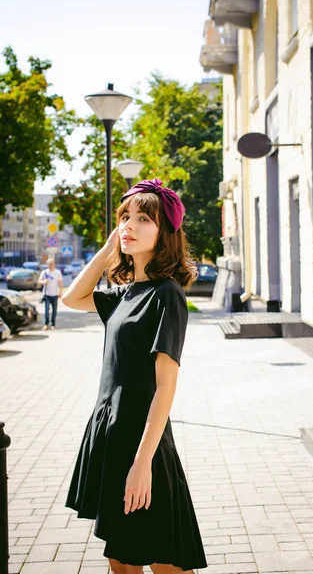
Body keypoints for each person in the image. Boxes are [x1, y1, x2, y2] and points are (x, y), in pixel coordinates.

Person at [62, 178, 207, 574]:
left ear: (165, 234)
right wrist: (112, 245)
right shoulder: (125, 293)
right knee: (121, 562)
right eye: (125, 216)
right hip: (111, 438)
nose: (129, 224)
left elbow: (166, 386)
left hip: (144, 444)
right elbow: (71, 298)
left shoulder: (167, 294)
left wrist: (142, 464)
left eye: (143, 218)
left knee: (165, 561)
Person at [37, 258, 63, 330]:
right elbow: (39, 281)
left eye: (52, 264)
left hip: (55, 294)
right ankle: (46, 324)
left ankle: (53, 324)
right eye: (49, 264)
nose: (51, 265)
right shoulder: (44, 272)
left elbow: (60, 283)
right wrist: (44, 282)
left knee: (54, 310)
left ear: (54, 264)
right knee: (46, 309)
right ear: (47, 264)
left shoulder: (57, 272)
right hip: (46, 294)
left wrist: (60, 292)